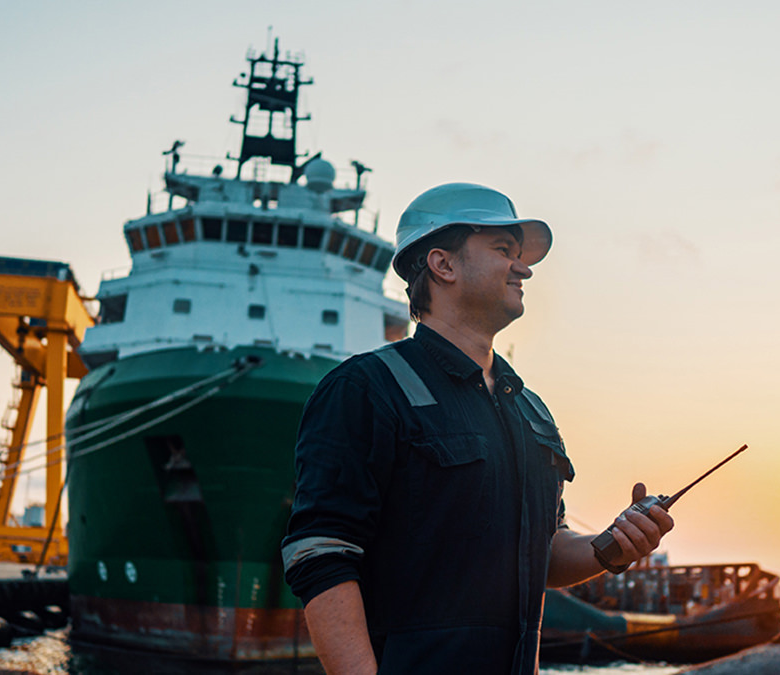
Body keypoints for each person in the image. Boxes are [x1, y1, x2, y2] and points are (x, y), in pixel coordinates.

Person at [281, 183, 675, 674]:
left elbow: (544, 552)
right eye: (504, 250)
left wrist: (614, 544)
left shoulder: (530, 410)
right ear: (443, 264)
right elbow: (321, 553)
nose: (523, 268)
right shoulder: (365, 388)